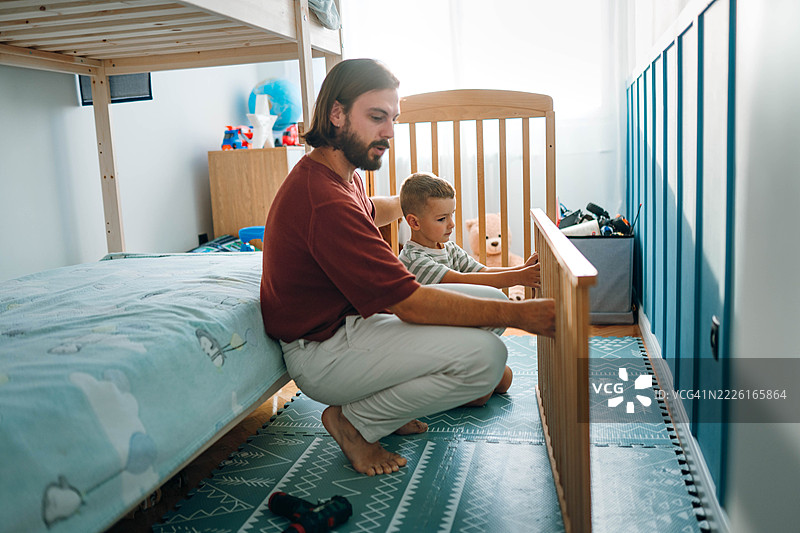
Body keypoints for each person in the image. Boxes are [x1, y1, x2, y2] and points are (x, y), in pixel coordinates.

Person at [260, 58, 555, 477]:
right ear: (337, 114)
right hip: (323, 352)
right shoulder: (324, 200)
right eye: (377, 117)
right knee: (487, 359)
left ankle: (387, 405)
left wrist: (409, 203)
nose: (389, 132)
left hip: (352, 325)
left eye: (392, 119)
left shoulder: (341, 173)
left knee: (489, 299)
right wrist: (521, 313)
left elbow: (370, 209)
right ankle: (353, 424)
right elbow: (411, 303)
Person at [397, 171, 543, 403]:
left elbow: (481, 272)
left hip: (454, 328)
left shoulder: (448, 247)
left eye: (452, 215)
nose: (452, 224)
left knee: (504, 381)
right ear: (414, 222)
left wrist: (520, 272)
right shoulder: (414, 259)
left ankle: (468, 370)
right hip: (430, 340)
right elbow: (461, 281)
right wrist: (519, 278)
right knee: (483, 395)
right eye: (442, 218)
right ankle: (431, 383)